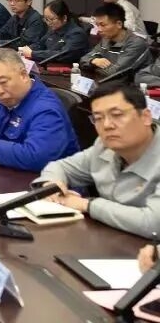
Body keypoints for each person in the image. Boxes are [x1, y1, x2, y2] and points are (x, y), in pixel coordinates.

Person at [34, 81, 160, 238]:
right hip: (112, 239)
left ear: (146, 117)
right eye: (98, 118)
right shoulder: (104, 146)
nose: (107, 125)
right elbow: (61, 167)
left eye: (117, 115)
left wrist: (88, 205)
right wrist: (51, 185)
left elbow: (154, 223)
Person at [0, 48, 78, 172]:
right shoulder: (0, 100)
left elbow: (36, 157)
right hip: (5, 172)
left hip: (46, 181)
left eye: (3, 82)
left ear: (23, 75)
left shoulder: (46, 109)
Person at [80, 3, 152, 81]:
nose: (99, 30)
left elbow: (115, 73)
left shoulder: (136, 43)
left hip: (131, 86)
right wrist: (93, 61)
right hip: (109, 83)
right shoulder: (106, 39)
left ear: (119, 24)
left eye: (103, 25)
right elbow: (83, 60)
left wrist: (92, 67)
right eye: (97, 25)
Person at [18, 0, 89, 65]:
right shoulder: (53, 30)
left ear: (64, 18)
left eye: (51, 19)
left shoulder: (77, 34)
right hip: (49, 67)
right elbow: (40, 44)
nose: (48, 23)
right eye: (46, 19)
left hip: (68, 71)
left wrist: (32, 54)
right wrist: (26, 49)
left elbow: (61, 54)